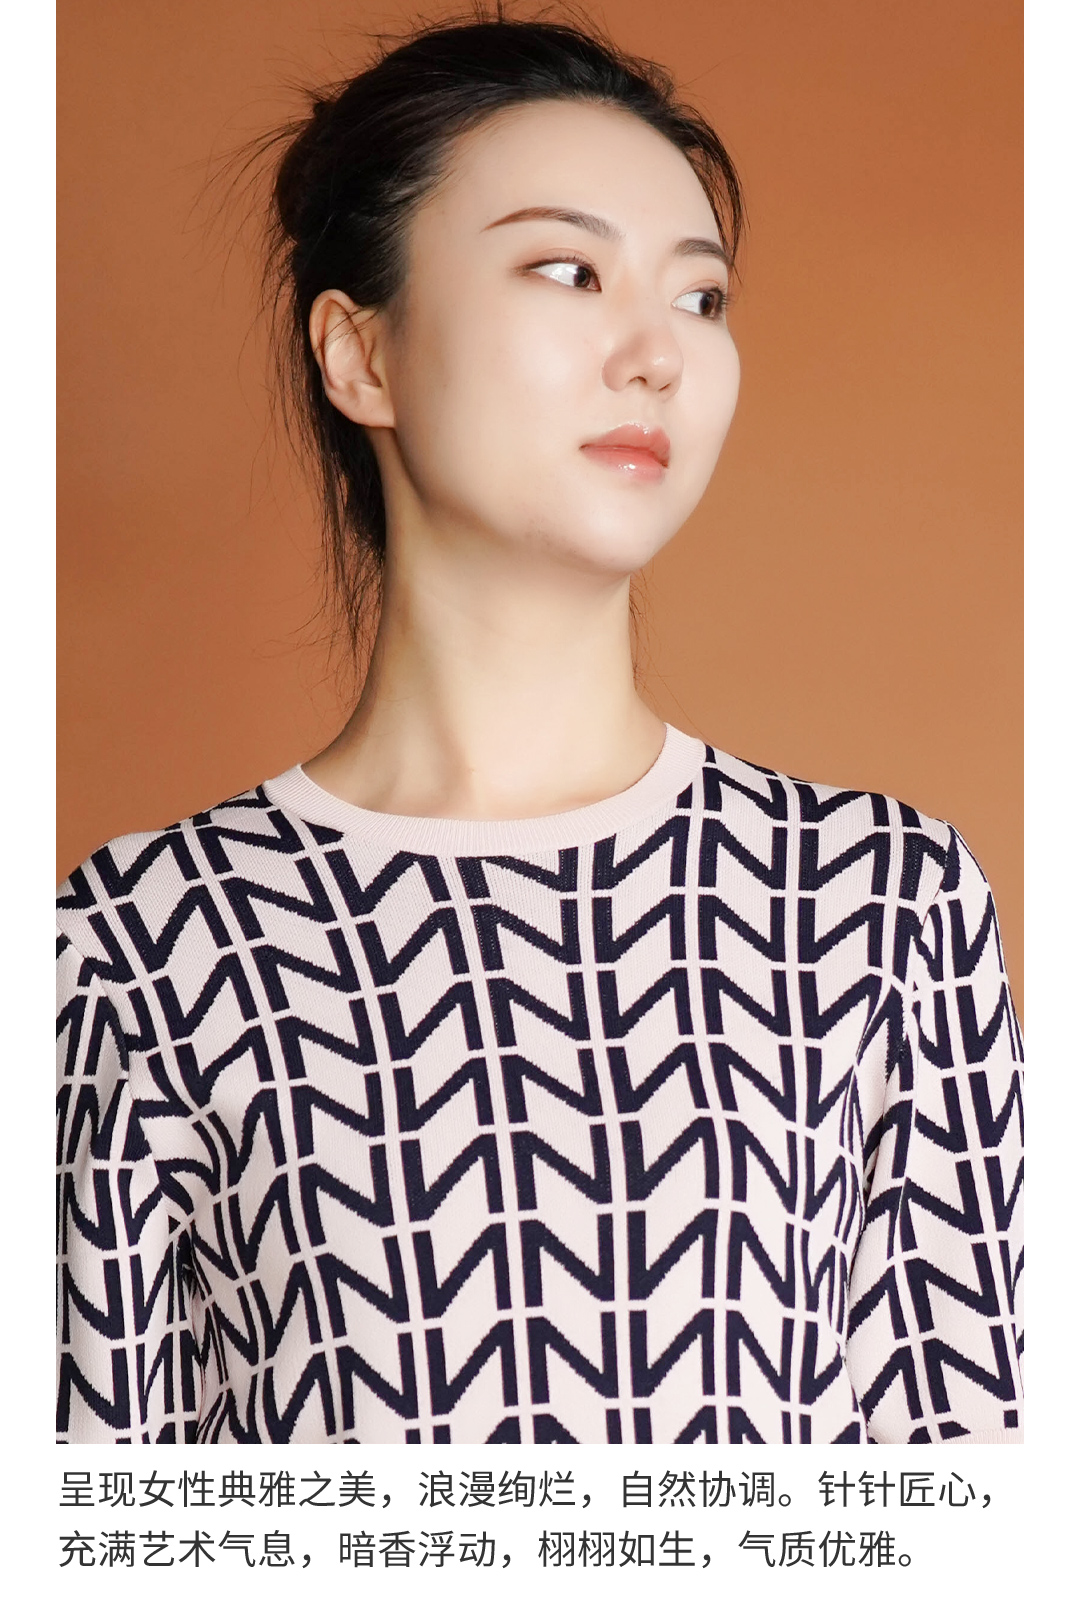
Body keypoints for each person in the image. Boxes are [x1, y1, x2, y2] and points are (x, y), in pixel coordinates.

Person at [56, 13, 1023, 1445]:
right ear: (360, 355)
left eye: (702, 297)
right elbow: (97, 1509)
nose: (658, 355)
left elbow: (976, 1492)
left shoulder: (881, 905)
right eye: (569, 271)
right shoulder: (140, 947)